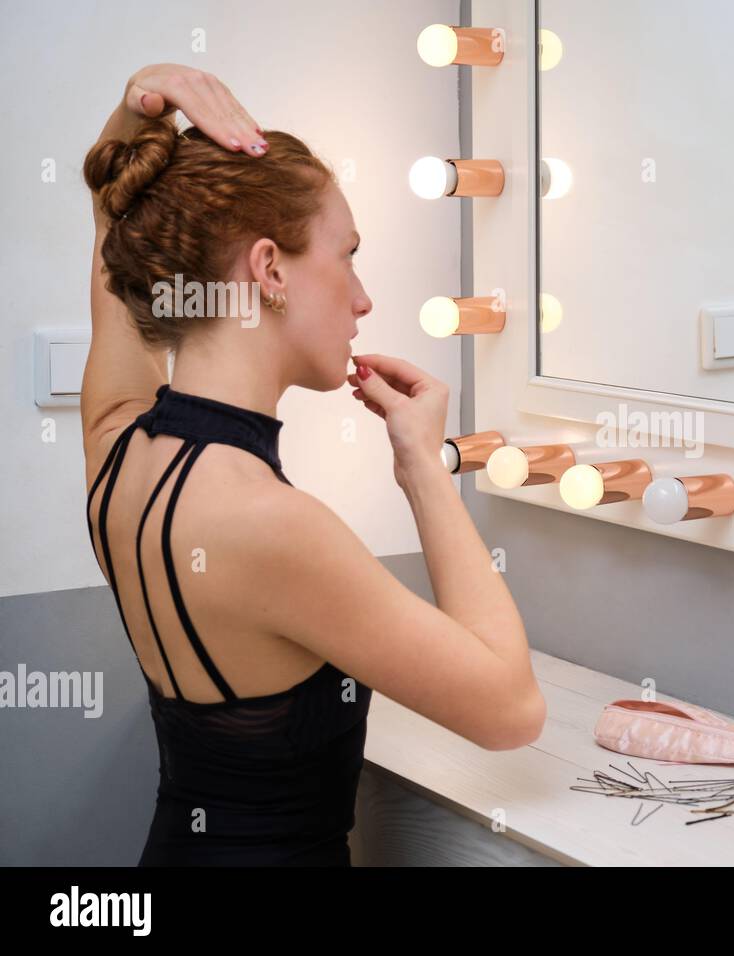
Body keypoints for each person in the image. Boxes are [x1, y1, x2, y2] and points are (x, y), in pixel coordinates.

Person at [81, 63, 545, 865]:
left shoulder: (117, 453)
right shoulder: (269, 523)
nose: (363, 298)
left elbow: (111, 227)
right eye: (348, 255)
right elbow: (509, 710)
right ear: (268, 270)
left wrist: (137, 112)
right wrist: (424, 468)